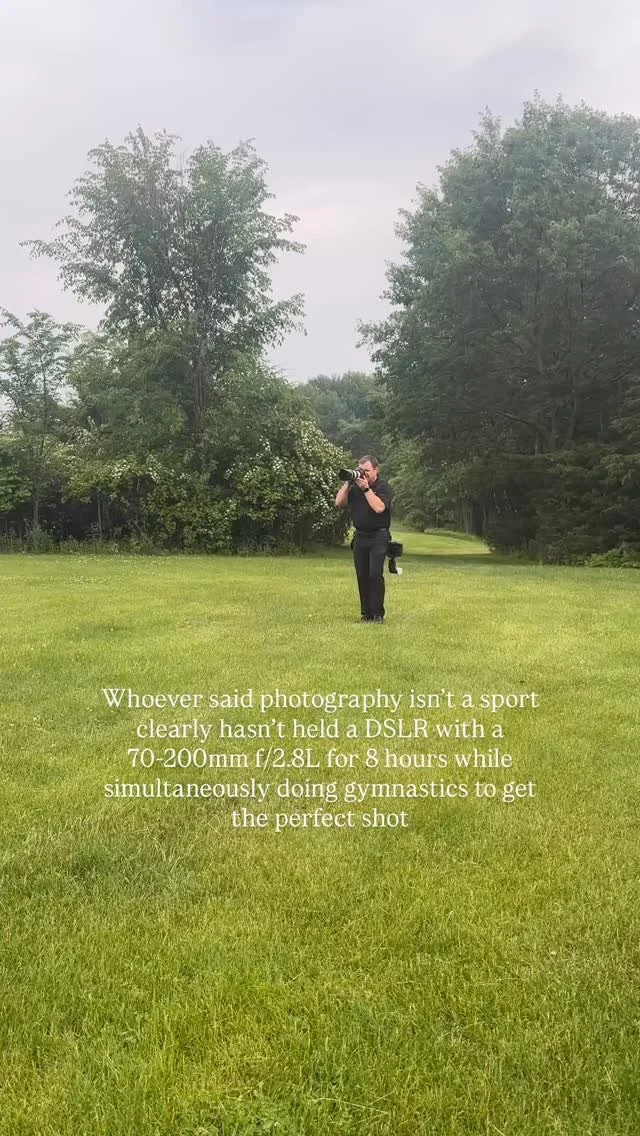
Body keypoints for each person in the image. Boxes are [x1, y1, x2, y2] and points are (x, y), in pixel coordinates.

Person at [335, 455, 392, 623]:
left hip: (378, 536)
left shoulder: (383, 487)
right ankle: (366, 613)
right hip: (360, 536)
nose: (363, 474)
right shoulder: (355, 488)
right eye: (360, 470)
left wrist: (367, 489)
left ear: (376, 470)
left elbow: (379, 508)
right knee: (362, 575)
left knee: (375, 574)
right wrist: (348, 483)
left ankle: (378, 613)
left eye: (367, 470)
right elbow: (339, 503)